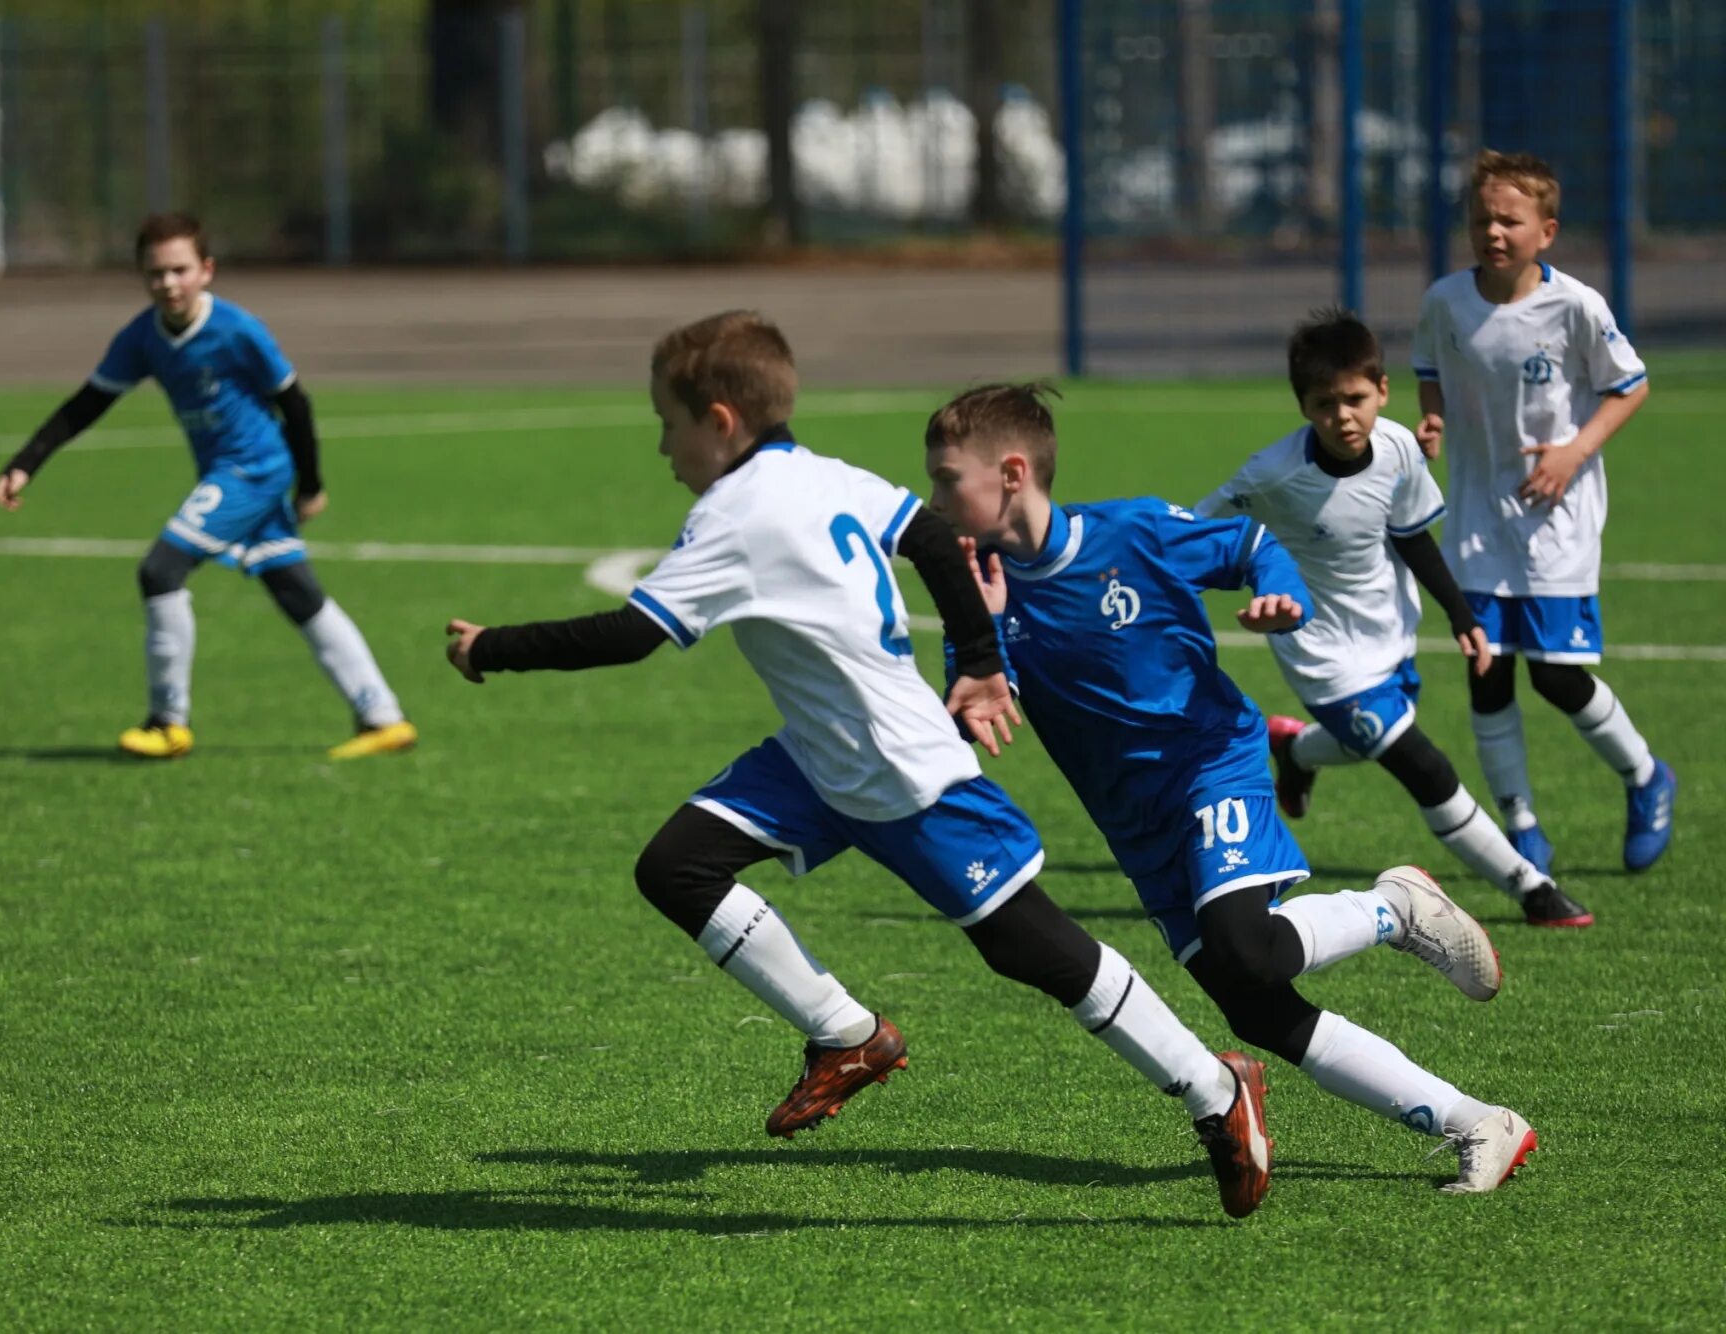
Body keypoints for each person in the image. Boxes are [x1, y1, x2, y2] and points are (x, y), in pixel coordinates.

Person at [445, 311, 1274, 1218]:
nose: (661, 446)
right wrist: (983, 659)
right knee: (677, 865)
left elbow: (631, 634)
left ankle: (1213, 1087)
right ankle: (845, 1032)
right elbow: (928, 538)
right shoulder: (825, 475)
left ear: (719, 421)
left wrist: (494, 648)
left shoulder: (733, 513)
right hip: (819, 755)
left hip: (897, 768)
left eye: (666, 423)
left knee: (1029, 947)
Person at [925, 382, 1534, 1193]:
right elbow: (975, 712)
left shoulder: (1132, 529)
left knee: (1249, 947)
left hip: (1214, 765)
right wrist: (988, 631)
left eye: (945, 479)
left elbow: (1250, 544)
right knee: (1257, 1009)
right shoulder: (978, 593)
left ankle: (1394, 909)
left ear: (1009, 473)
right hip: (1134, 827)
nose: (934, 501)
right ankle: (1478, 1122)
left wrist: (1281, 596)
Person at [1197, 310, 1591, 928]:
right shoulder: (1270, 473)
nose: (1342, 416)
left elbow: (1411, 536)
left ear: (1382, 391)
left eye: (1355, 398)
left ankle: (1296, 750)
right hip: (1320, 652)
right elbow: (1194, 536)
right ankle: (1531, 887)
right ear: (1303, 406)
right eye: (1324, 404)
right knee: (1420, 763)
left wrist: (1461, 614)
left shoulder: (1401, 448)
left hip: (1388, 627)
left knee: (1373, 737)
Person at [0, 213, 413, 761]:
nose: (168, 284)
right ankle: (383, 717)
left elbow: (295, 403)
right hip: (231, 474)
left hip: (253, 471)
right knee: (297, 592)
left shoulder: (239, 330)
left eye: (180, 270)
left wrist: (310, 484)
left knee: (160, 570)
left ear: (206, 271)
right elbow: (88, 403)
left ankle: (168, 722)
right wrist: (26, 463)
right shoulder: (142, 337)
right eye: (156, 273)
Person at [1414, 149, 1672, 874]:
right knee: (1487, 670)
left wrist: (1571, 452)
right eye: (1480, 219)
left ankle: (1647, 776)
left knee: (1557, 675)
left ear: (1546, 231)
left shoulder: (1577, 306)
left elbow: (1630, 387)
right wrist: (1430, 421)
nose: (1492, 232)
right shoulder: (1444, 302)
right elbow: (1430, 371)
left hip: (1554, 519)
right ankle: (1521, 825)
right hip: (1473, 516)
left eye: (1509, 220)